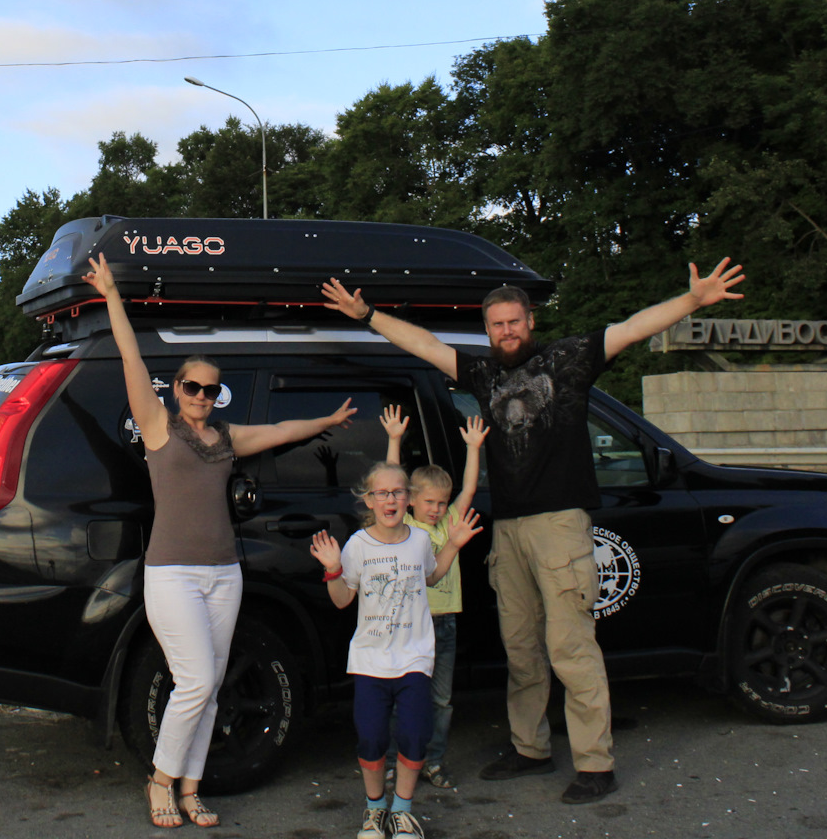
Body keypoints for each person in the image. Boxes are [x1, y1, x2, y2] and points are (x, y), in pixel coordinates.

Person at [321, 258, 746, 805]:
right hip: (510, 528)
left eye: (515, 322)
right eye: (497, 324)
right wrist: (367, 314)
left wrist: (692, 300)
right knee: (521, 649)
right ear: (487, 329)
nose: (507, 331)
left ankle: (595, 763)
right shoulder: (482, 374)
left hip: (559, 525)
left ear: (531, 322)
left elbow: (632, 328)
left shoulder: (568, 360)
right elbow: (424, 345)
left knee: (571, 648)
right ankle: (530, 748)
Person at [83, 255, 361, 829]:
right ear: (177, 389)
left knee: (208, 689)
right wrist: (110, 294)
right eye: (192, 387)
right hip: (172, 574)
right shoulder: (159, 428)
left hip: (223, 574)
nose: (201, 396)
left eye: (210, 390)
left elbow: (280, 432)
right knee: (196, 680)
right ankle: (160, 781)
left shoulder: (226, 437)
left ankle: (191, 788)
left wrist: (326, 420)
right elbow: (132, 358)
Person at [310, 461, 482, 839]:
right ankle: (375, 810)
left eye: (398, 492)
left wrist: (453, 544)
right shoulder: (358, 545)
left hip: (414, 657)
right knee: (372, 738)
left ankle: (402, 812)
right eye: (382, 493)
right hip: (371, 660)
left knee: (415, 734)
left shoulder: (419, 540)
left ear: (408, 499)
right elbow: (342, 600)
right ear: (369, 500)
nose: (390, 500)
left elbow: (431, 575)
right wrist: (334, 569)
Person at [380, 404, 487, 788]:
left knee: (441, 700)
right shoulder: (406, 524)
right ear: (412, 501)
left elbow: (469, 489)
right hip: (412, 624)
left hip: (445, 624)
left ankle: (433, 761)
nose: (437, 509)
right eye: (430, 502)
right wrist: (394, 439)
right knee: (405, 697)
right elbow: (392, 485)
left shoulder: (448, 524)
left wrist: (473, 447)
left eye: (442, 503)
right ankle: (393, 762)